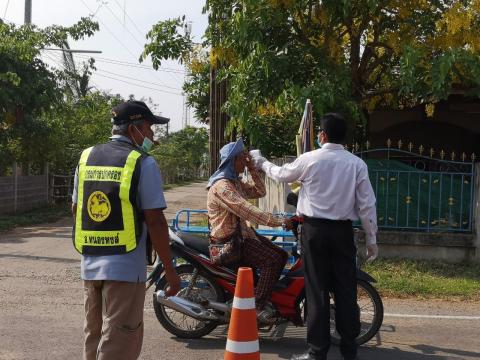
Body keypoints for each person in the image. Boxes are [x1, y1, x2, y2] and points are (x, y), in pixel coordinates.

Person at [251, 113, 378, 360]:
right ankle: (349, 351)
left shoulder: (310, 159)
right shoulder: (356, 164)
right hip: (342, 233)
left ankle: (317, 353)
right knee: (345, 291)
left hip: (314, 233)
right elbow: (367, 205)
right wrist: (372, 239)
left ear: (322, 135)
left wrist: (261, 162)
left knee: (317, 291)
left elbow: (281, 175)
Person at [71, 100, 180, 360]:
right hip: (125, 269)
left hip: (90, 266)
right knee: (120, 342)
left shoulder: (86, 157)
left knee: (94, 338)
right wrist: (170, 272)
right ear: (135, 129)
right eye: (150, 128)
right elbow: (155, 221)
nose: (152, 136)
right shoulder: (142, 163)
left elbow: (76, 209)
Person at [207, 139, 291, 323]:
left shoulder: (234, 182)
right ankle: (255, 308)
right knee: (273, 260)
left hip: (243, 236)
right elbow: (246, 209)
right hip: (230, 241)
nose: (245, 159)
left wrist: (252, 168)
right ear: (233, 160)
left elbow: (259, 191)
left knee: (282, 255)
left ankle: (262, 296)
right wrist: (279, 221)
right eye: (242, 157)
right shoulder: (223, 186)